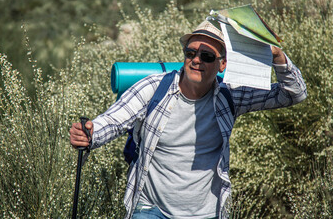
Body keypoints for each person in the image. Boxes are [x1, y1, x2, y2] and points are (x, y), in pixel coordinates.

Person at [69, 20, 307, 219]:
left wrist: (277, 55)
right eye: (191, 53)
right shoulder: (154, 88)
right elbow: (114, 120)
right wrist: (90, 133)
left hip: (206, 213)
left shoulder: (229, 95)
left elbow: (293, 94)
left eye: (206, 55)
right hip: (151, 209)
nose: (196, 60)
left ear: (222, 64)